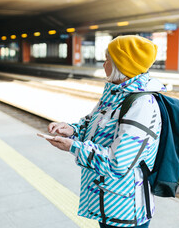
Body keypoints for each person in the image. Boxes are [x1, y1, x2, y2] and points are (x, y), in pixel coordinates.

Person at [46, 35, 166, 228]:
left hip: (126, 210)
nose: (104, 64)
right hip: (108, 199)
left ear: (121, 64)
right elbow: (93, 126)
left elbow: (118, 161)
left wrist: (74, 147)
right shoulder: (115, 94)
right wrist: (72, 130)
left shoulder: (142, 105)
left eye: (107, 59)